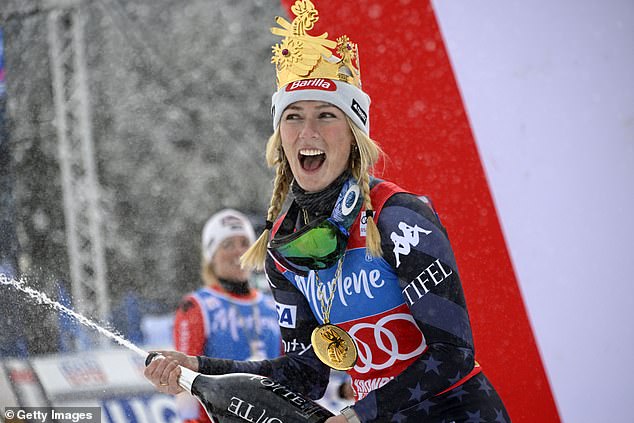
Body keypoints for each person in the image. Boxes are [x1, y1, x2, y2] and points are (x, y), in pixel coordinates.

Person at [145, 2, 510, 422]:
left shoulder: (398, 219)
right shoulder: (283, 249)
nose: (308, 132)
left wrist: (358, 414)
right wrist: (199, 367)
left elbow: (453, 355)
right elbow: (305, 374)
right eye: (293, 117)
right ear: (280, 137)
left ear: (355, 137)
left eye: (326, 115)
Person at [172, 209, 282, 423]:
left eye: (244, 242)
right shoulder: (197, 306)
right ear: (211, 256)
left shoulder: (273, 303)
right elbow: (185, 381)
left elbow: (292, 371)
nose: (238, 252)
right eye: (227, 245)